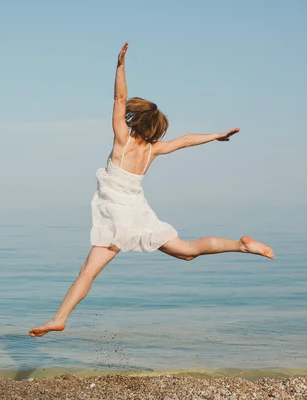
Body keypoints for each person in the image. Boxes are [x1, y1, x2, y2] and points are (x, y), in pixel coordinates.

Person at [28, 42, 273, 338]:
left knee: (88, 271)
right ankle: (241, 245)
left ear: (135, 120)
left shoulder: (124, 140)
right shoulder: (153, 150)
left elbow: (119, 97)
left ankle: (59, 318)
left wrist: (120, 66)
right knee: (187, 252)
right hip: (139, 212)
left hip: (119, 216)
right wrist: (216, 135)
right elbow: (183, 140)